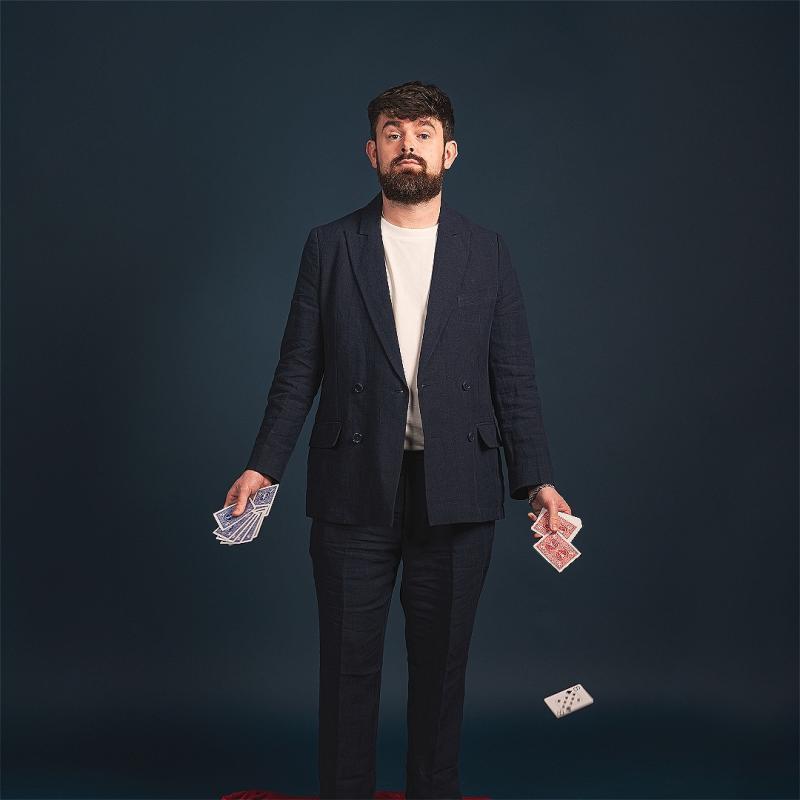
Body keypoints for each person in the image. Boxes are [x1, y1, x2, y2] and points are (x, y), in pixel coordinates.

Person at [223, 80, 572, 799]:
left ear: (449, 150)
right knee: (348, 669)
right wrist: (264, 465)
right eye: (392, 131)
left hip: (461, 489)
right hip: (353, 483)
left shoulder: (489, 252)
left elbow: (514, 377)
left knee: (442, 671)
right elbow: (299, 369)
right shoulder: (328, 247)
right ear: (371, 150)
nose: (406, 144)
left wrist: (537, 479)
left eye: (421, 132)